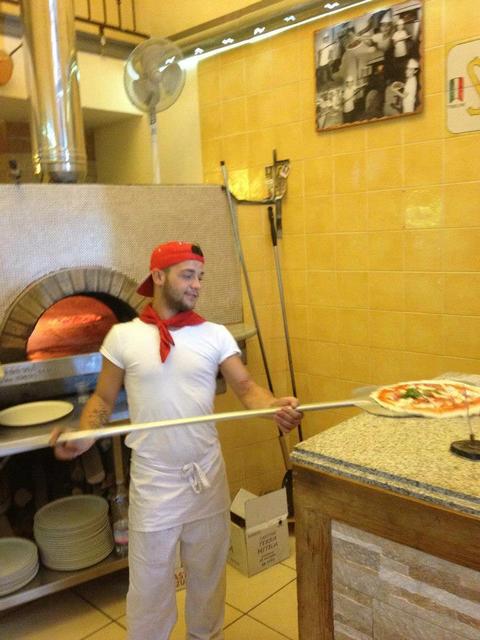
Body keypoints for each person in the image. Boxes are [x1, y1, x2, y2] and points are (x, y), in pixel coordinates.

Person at [51, 241, 302, 640]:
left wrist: (274, 407)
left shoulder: (214, 335)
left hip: (206, 476)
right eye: (187, 275)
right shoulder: (123, 336)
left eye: (200, 276)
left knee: (208, 576)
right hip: (154, 480)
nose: (197, 284)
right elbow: (102, 398)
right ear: (158, 276)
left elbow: (247, 389)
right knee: (149, 586)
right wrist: (84, 437)